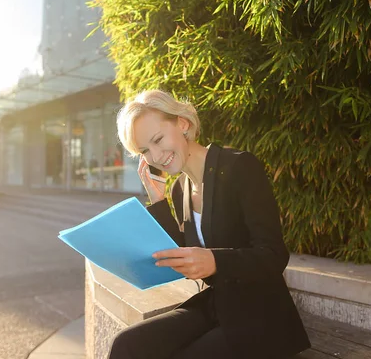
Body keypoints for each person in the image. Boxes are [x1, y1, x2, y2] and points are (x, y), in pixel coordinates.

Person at [109, 90, 311, 359]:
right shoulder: (180, 188)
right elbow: (183, 255)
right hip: (216, 306)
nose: (156, 156)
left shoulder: (240, 166)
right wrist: (157, 202)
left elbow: (274, 255)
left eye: (157, 140)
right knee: (127, 344)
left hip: (260, 313)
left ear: (183, 123)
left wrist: (215, 261)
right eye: (146, 150)